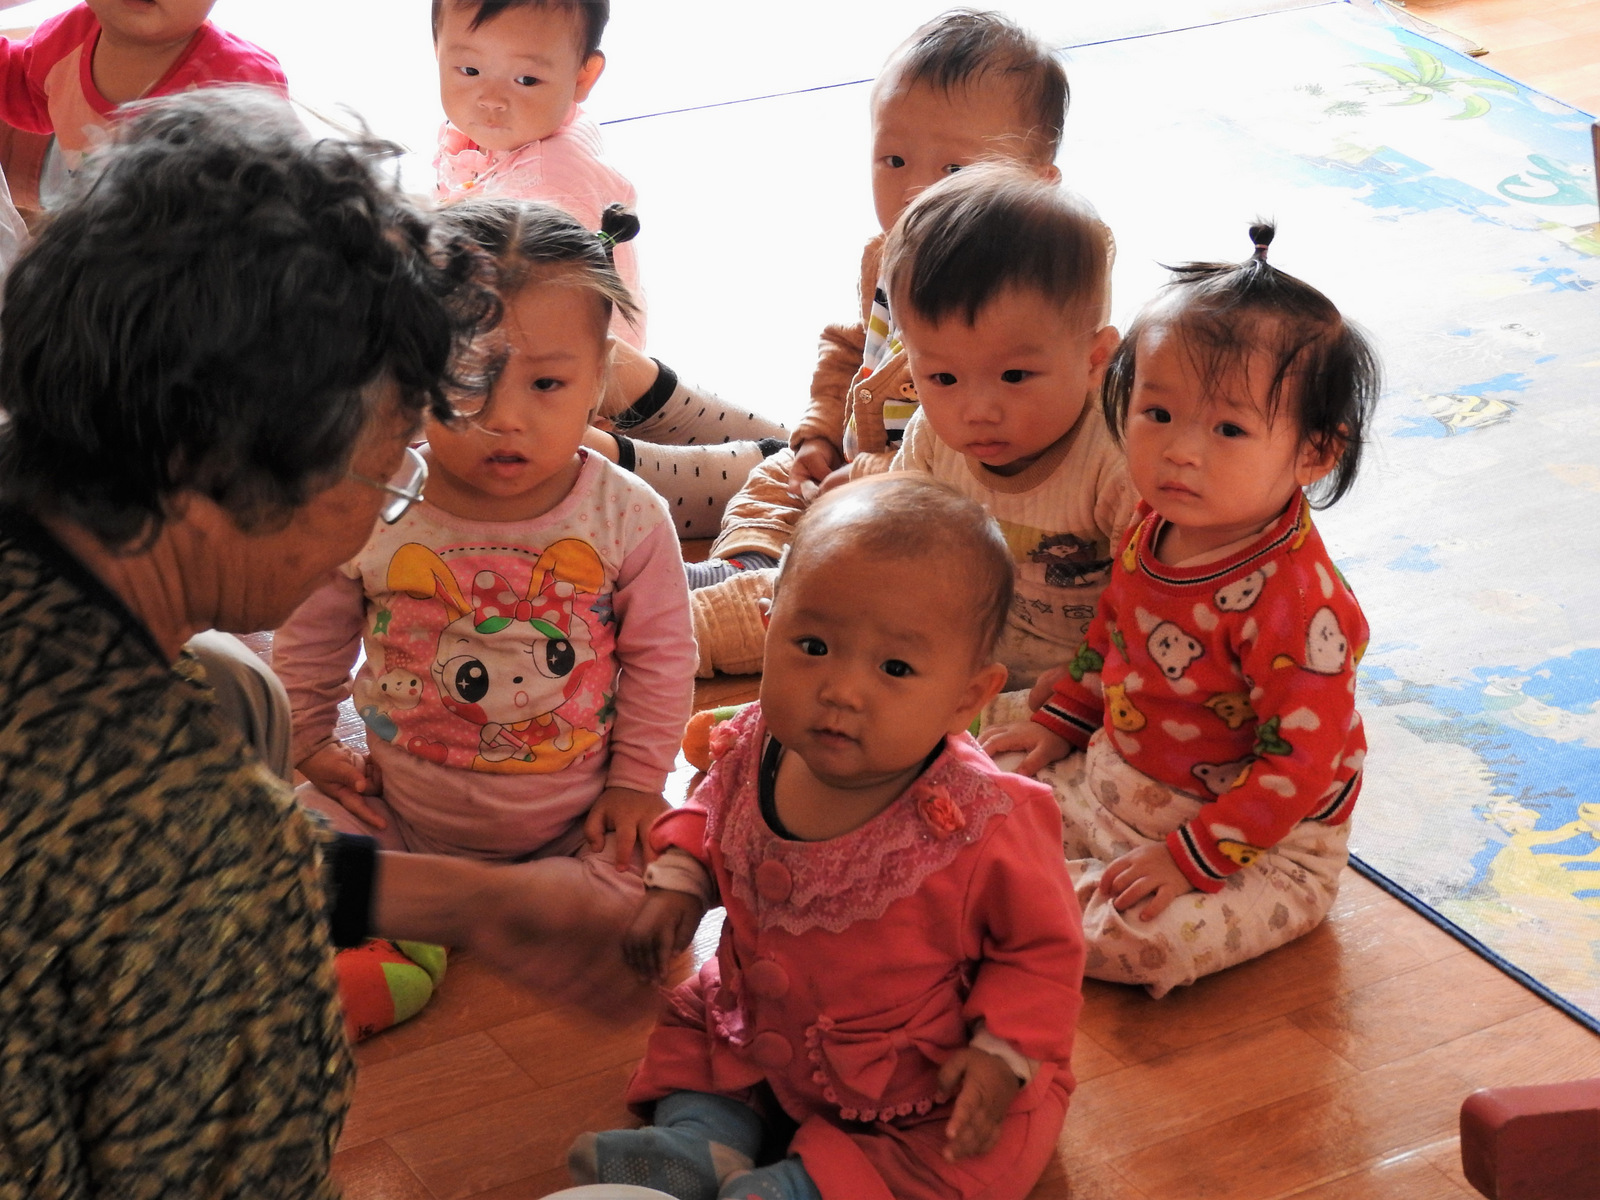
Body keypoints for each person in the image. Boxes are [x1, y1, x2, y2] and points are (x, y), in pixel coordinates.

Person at [0, 88, 644, 1199]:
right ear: (232, 466)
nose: (379, 514)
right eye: (391, 471)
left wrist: (460, 902)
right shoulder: (175, 839)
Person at [570, 475, 1086, 1200]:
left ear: (968, 695)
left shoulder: (983, 819)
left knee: (972, 1157)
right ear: (768, 620)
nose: (842, 689)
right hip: (758, 1015)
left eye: (895, 667)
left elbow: (1042, 952)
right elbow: (712, 810)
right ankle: (701, 1141)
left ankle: (804, 1186)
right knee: (697, 1031)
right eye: (812, 644)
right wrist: (679, 882)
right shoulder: (755, 743)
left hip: (920, 1068)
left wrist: (1001, 1055)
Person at [273, 198, 696, 1033]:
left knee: (654, 873)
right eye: (468, 381)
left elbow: (662, 658)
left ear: (601, 374)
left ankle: (445, 919)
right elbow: (314, 624)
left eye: (547, 383)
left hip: (569, 825)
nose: (507, 417)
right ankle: (417, 933)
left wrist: (636, 783)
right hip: (396, 807)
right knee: (282, 845)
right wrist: (310, 740)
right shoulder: (382, 492)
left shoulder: (627, 515)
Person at [979, 224, 1378, 996]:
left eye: (1229, 429)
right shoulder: (1152, 523)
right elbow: (1110, 639)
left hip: (1256, 845)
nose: (1180, 451)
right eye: (1157, 414)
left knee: (1143, 944)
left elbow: (1300, 766)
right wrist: (1062, 720)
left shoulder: (1300, 606)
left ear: (1313, 453)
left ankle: (1013, 899)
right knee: (983, 785)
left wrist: (1186, 858)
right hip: (1117, 778)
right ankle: (1013, 883)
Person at [688, 10, 1074, 676]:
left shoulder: (1027, 304)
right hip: (856, 463)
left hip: (939, 501)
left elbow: (985, 442)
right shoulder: (886, 258)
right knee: (775, 476)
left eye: (955, 166)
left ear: (1035, 186)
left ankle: (719, 614)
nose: (915, 189)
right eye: (893, 158)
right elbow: (849, 347)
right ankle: (749, 561)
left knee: (851, 591)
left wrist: (869, 481)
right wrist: (816, 435)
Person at [432, 0, 788, 534]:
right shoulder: (506, 133)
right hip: (555, 358)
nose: (491, 98)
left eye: (526, 78)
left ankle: (769, 472)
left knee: (577, 467)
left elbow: (566, 308)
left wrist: (576, 395)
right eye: (468, 70)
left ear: (583, 76)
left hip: (557, 370)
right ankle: (782, 449)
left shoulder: (553, 180)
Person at [886, 162, 1136, 690]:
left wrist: (1085, 683)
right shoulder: (933, 440)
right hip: (965, 647)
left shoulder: (1118, 460)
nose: (977, 410)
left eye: (1014, 375)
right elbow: (901, 544)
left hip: (1087, 674)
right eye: (943, 377)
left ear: (1095, 361)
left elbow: (1157, 608)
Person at [0, 0, 284, 210]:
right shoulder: (67, 37)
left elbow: (281, 198)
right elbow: (25, 92)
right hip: (92, 228)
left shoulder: (244, 82)